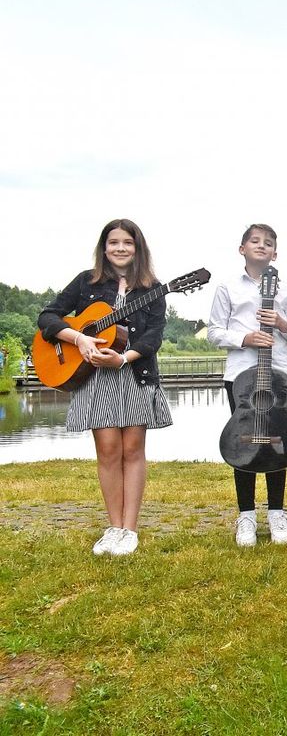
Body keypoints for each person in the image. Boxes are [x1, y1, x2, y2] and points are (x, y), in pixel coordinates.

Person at [38, 218, 173, 556]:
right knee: (109, 451)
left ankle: (130, 530)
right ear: (104, 247)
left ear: (137, 248)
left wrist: (124, 358)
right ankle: (113, 527)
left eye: (127, 242)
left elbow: (153, 336)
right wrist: (79, 337)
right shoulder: (87, 282)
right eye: (114, 242)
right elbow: (48, 317)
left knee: (133, 450)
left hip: (133, 373)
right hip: (95, 376)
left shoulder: (153, 289)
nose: (120, 248)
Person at [207, 224, 287, 546]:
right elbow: (214, 332)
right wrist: (244, 338)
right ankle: (246, 515)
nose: (261, 246)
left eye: (268, 243)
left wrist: (282, 323)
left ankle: (277, 512)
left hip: (278, 373)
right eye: (254, 241)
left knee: (278, 440)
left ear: (275, 253)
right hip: (240, 375)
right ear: (242, 249)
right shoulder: (227, 287)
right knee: (244, 442)